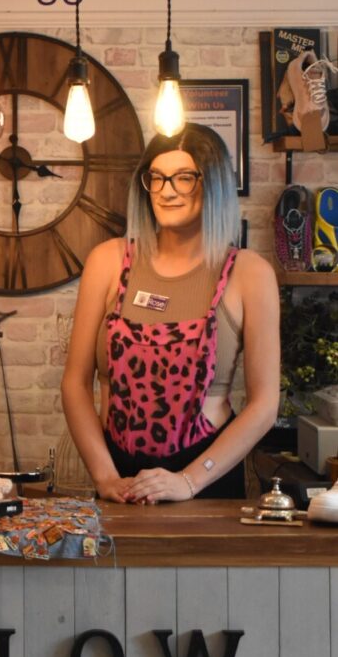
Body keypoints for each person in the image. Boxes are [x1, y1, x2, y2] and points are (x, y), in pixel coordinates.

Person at [61, 123, 280, 503]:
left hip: (207, 476)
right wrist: (105, 477)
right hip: (118, 476)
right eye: (157, 178)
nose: (167, 191)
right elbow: (75, 384)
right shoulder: (108, 261)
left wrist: (189, 481)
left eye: (184, 177)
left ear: (212, 184)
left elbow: (264, 406)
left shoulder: (250, 273)